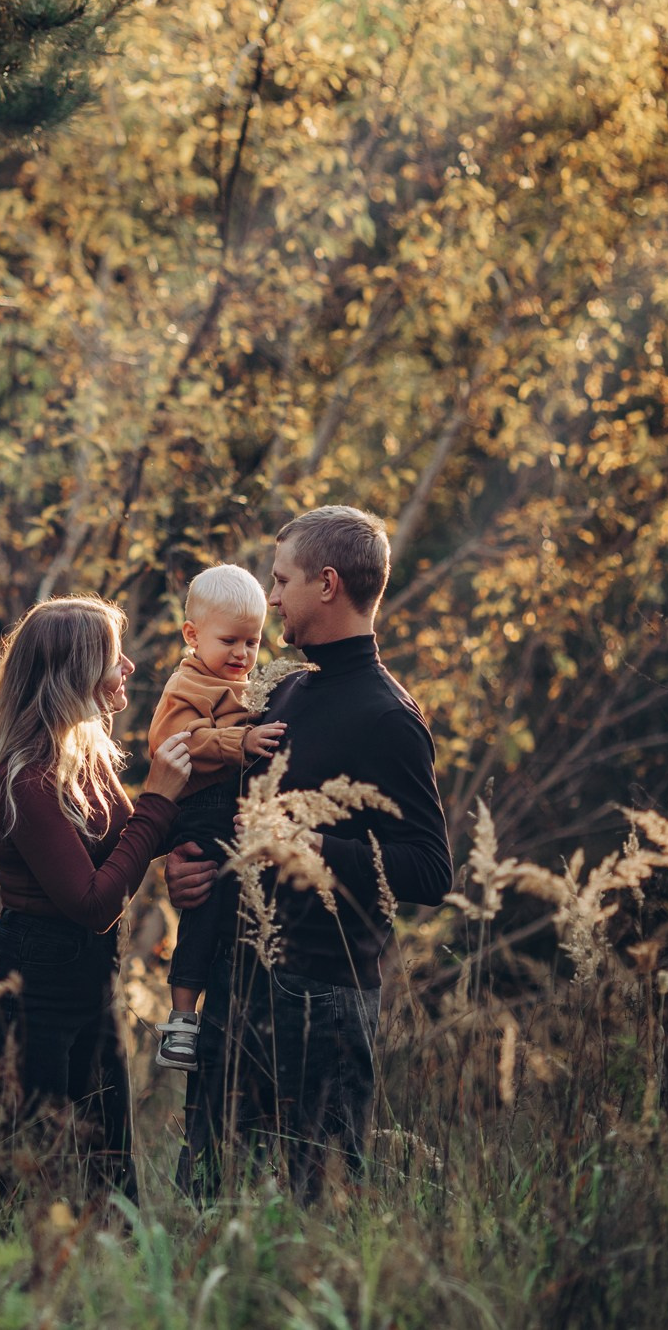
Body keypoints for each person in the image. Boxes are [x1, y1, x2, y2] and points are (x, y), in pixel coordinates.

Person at [163, 507, 453, 1201]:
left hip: (323, 1000)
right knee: (206, 1199)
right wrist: (182, 866)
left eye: (280, 578)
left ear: (326, 584)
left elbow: (429, 867)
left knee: (307, 1212)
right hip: (237, 984)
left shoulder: (388, 715)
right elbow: (226, 812)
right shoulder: (284, 687)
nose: (269, 596)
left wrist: (313, 844)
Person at [0, 595, 194, 1185]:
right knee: (24, 1177)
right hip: (27, 986)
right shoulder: (25, 774)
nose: (130, 668)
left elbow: (128, 845)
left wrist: (191, 831)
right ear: (74, 672)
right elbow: (92, 903)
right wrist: (159, 802)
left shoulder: (79, 754)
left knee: (110, 1170)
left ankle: (120, 1276)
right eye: (115, 656)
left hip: (87, 979)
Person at [147, 565, 287, 1071]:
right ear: (192, 635)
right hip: (201, 811)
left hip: (233, 810)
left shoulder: (248, 685)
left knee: (233, 903)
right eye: (229, 640)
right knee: (202, 907)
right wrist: (240, 741)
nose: (241, 654)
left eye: (252, 642)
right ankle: (181, 1019)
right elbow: (175, 743)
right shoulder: (186, 685)